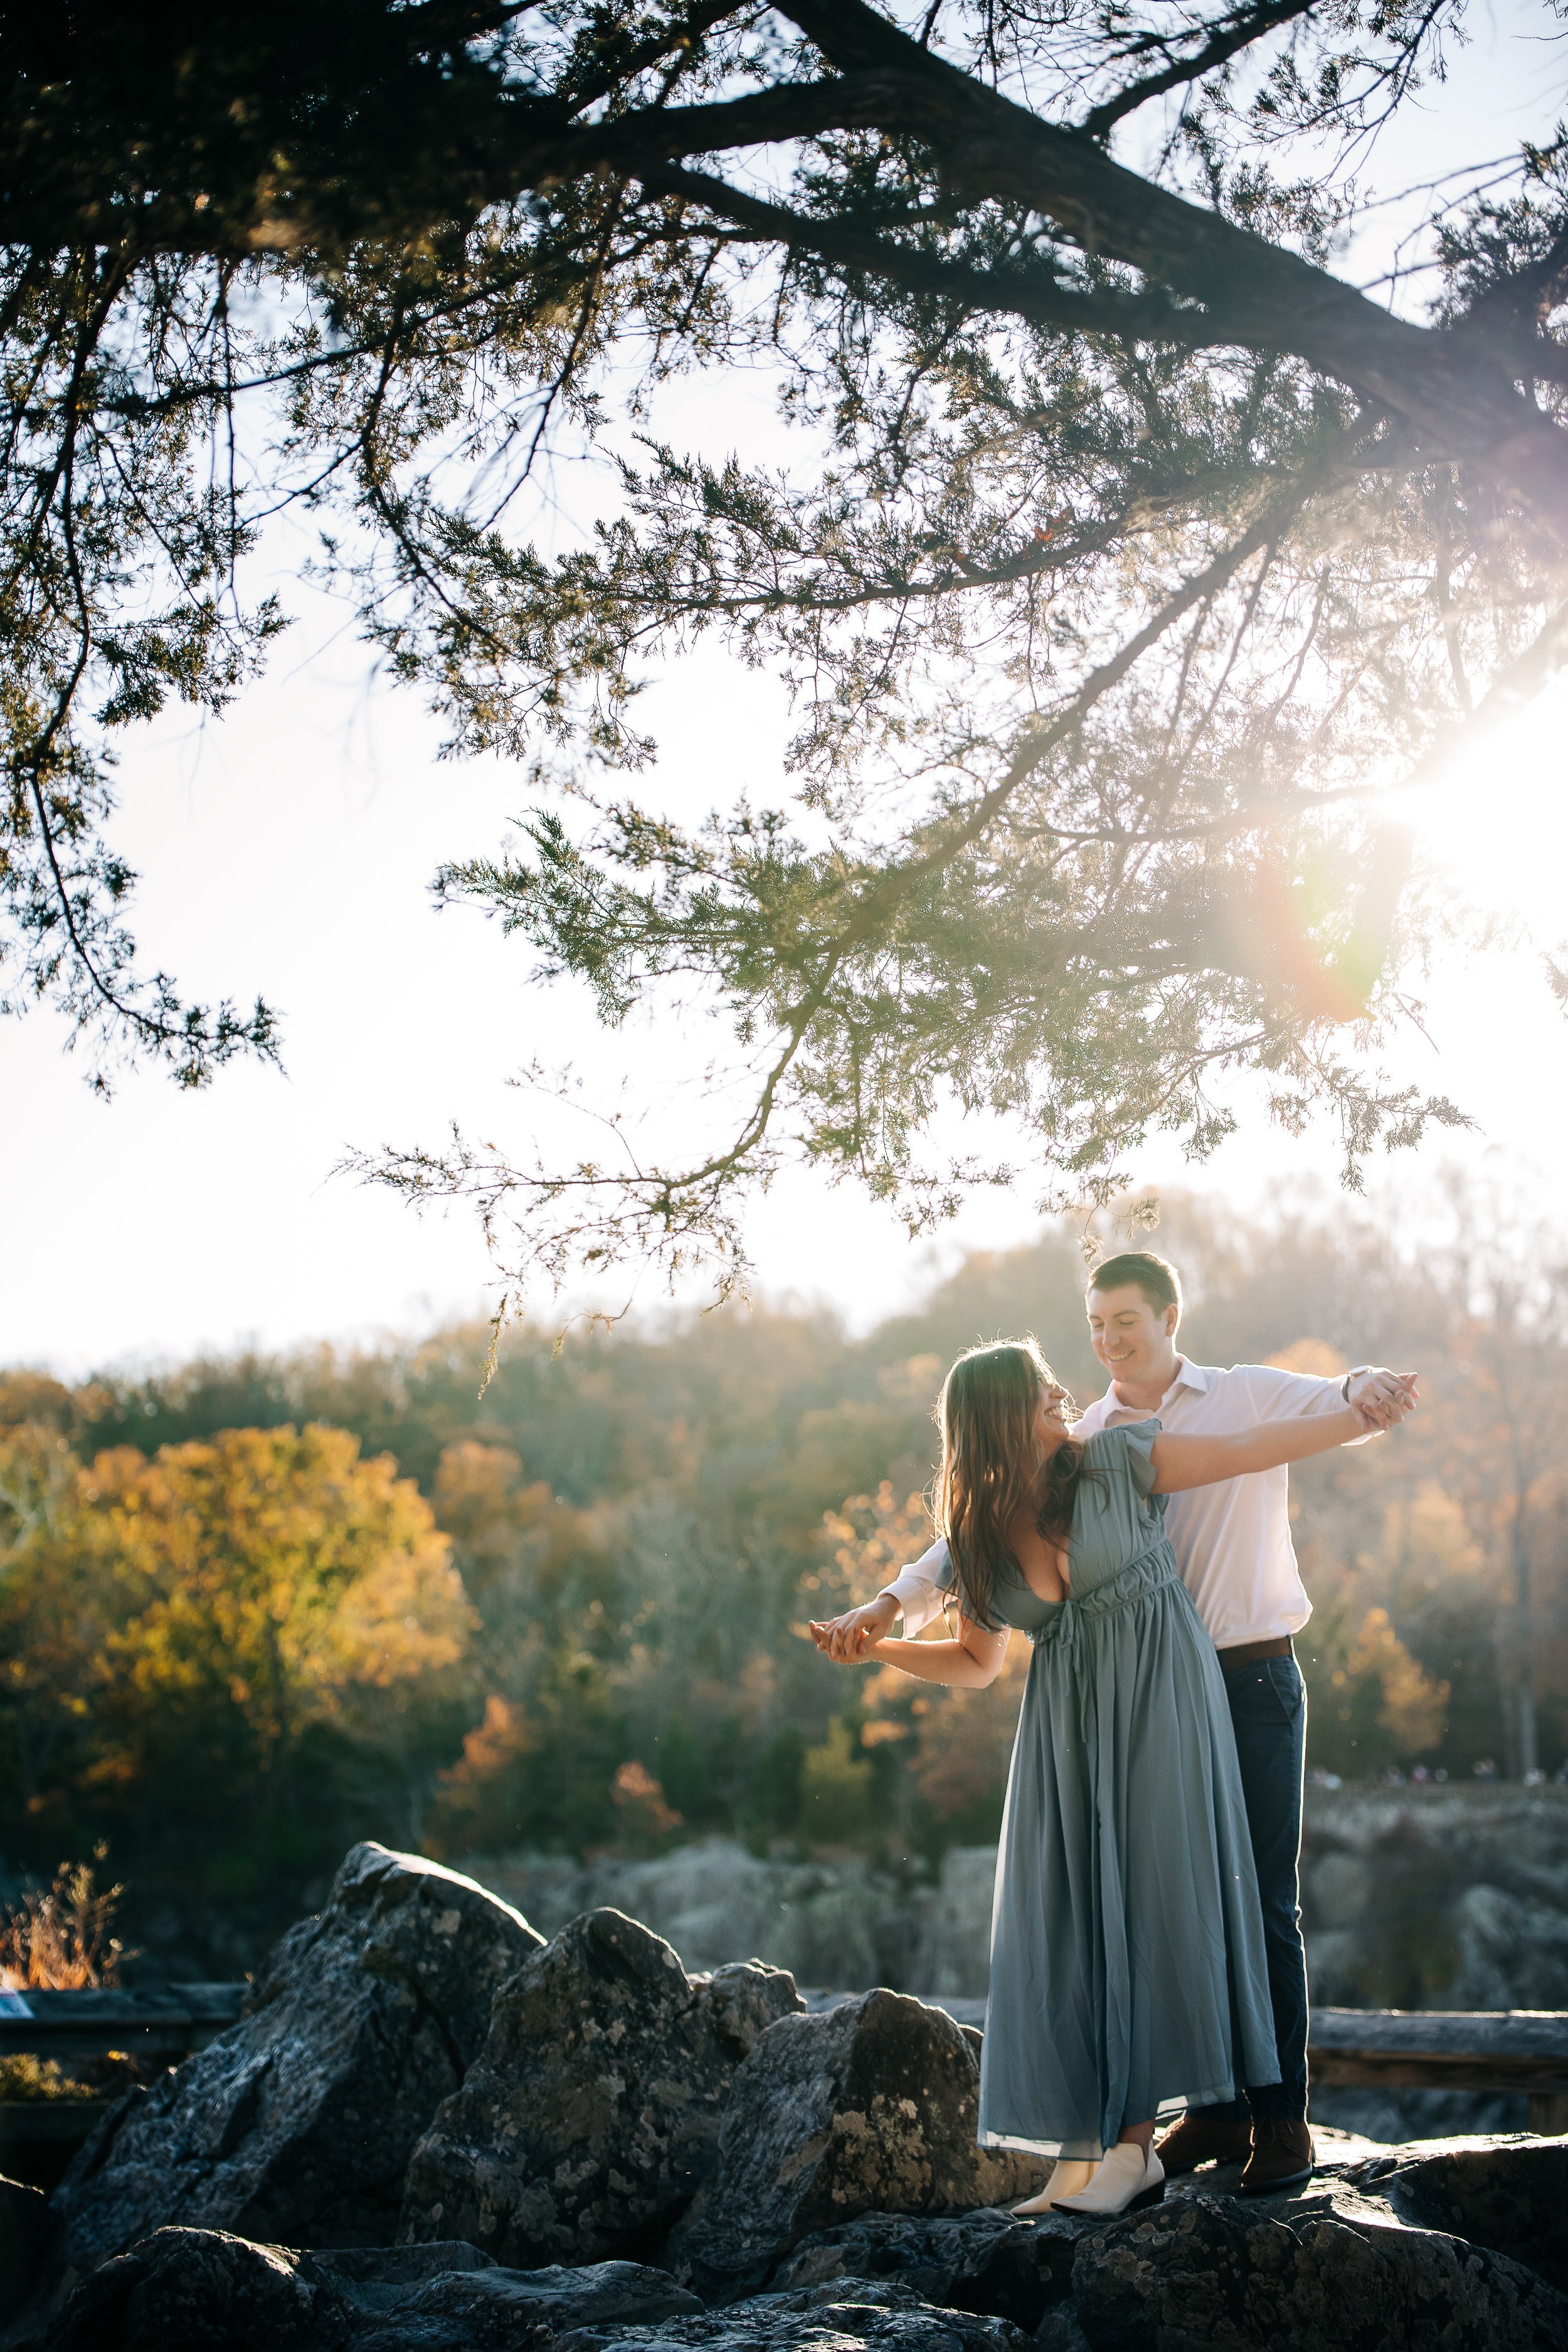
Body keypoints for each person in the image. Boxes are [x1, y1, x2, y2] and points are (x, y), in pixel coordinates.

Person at [835, 1252, 1415, 2196]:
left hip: (1252, 1670)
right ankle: (1211, 2111)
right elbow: (974, 1530)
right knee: (1165, 1897)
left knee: (1257, 1898)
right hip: (1148, 1695)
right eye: (1096, 1323)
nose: (1105, 1341)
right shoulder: (1095, 1434)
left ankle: (1279, 2118)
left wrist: (1362, 1395)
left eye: (1124, 1322)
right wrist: (892, 1605)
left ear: (1169, 1316)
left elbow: (1292, 1424)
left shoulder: (1236, 1395)